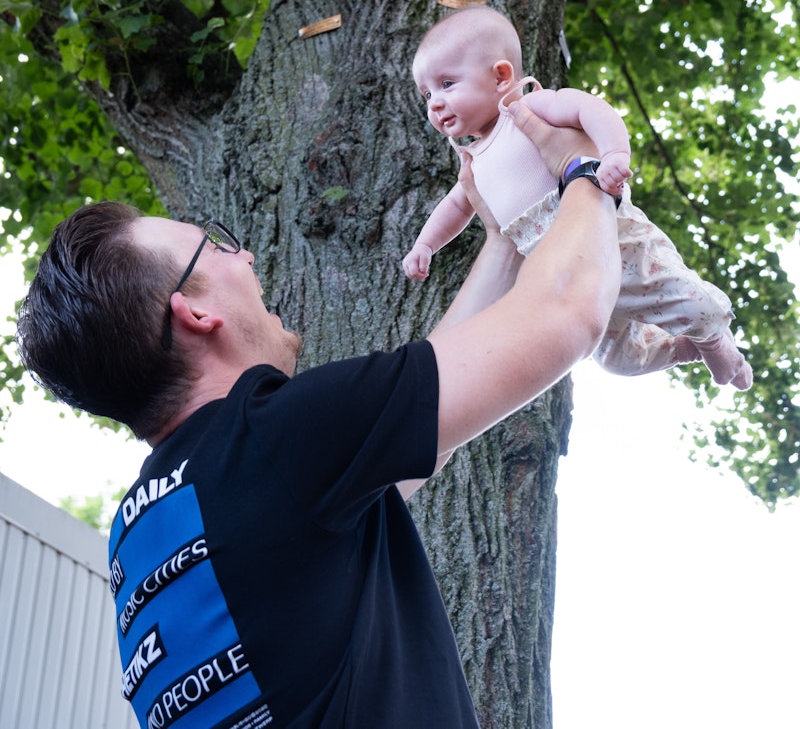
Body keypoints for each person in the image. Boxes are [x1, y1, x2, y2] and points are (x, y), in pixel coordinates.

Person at [16, 108, 621, 729]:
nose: (246, 255)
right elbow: (569, 310)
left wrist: (502, 242)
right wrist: (582, 169)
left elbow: (415, 435)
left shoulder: (140, 533)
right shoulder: (274, 439)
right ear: (194, 314)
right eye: (216, 244)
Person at [403, 4, 752, 391]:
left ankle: (717, 345)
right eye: (427, 93)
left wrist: (615, 154)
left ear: (501, 76)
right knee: (617, 360)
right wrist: (426, 244)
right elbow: (456, 206)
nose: (434, 102)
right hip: (565, 277)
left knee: (691, 304)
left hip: (615, 241)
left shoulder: (527, 107)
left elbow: (590, 109)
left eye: (447, 84)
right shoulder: (474, 159)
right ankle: (682, 350)